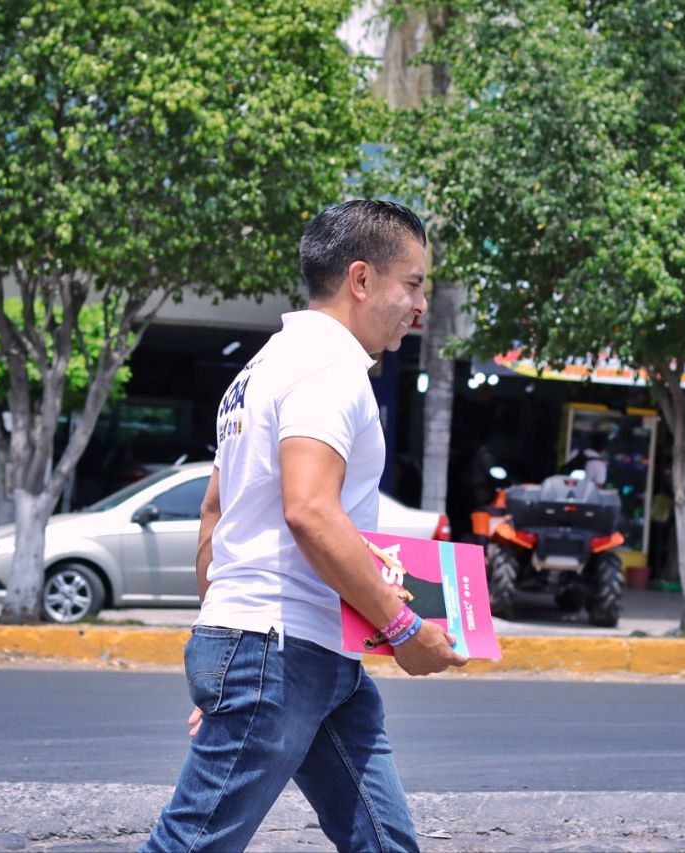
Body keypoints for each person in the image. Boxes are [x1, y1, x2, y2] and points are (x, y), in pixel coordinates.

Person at [142, 200, 467, 853]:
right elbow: (310, 509)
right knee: (192, 843)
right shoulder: (327, 367)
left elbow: (216, 513)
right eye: (412, 284)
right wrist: (404, 629)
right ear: (361, 279)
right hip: (282, 651)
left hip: (301, 652)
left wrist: (229, 653)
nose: (420, 305)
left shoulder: (262, 367)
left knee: (384, 841)